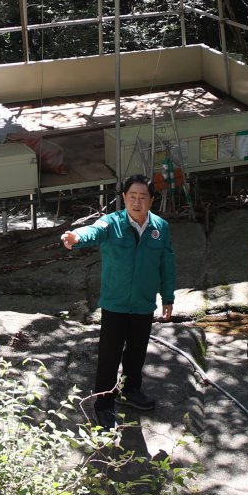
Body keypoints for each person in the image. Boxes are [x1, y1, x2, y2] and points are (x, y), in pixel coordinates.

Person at [61, 175, 177, 427]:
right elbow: (93, 231)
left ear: (152, 200)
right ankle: (103, 404)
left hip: (144, 303)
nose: (137, 202)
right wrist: (75, 238)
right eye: (132, 197)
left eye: (142, 197)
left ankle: (130, 391)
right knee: (109, 356)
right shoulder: (111, 223)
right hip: (115, 303)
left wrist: (168, 297)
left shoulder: (160, 228)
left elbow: (167, 263)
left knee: (137, 352)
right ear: (124, 198)